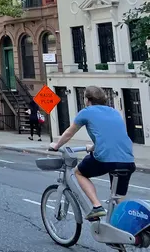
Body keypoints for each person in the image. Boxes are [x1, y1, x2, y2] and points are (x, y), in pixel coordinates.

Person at [50, 86, 135, 221]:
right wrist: (94, 147)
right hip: (128, 160)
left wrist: (56, 145)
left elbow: (69, 133)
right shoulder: (114, 112)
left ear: (87, 99)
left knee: (79, 172)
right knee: (119, 197)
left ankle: (96, 206)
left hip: (106, 159)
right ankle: (128, 229)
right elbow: (111, 136)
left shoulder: (86, 112)